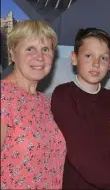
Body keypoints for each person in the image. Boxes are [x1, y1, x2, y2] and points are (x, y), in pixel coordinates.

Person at [50, 28, 110, 189]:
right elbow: (80, 154)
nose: (96, 63)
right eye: (88, 56)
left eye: (103, 58)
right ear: (74, 58)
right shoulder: (63, 95)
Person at [0, 20, 67, 189]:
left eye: (46, 49)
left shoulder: (45, 102)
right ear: (12, 54)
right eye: (30, 49)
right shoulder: (3, 96)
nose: (39, 57)